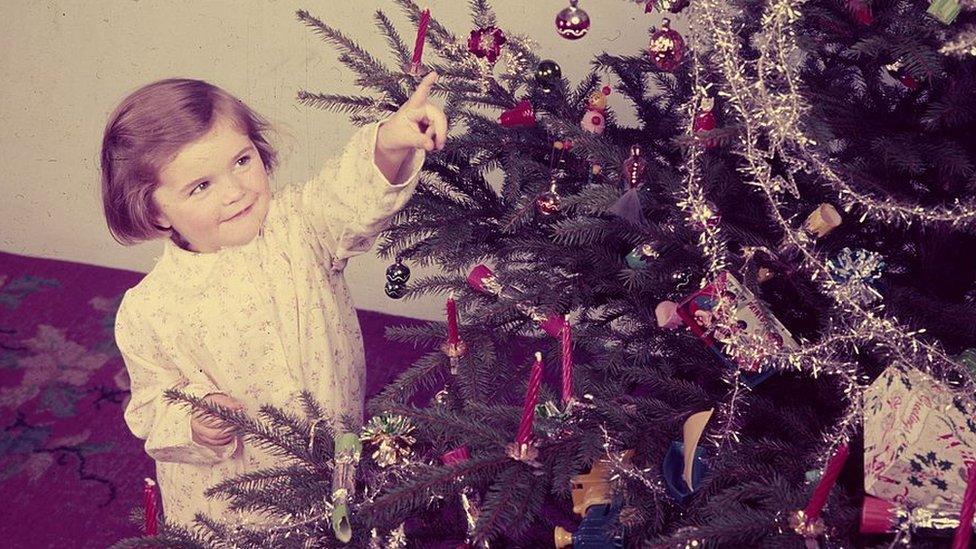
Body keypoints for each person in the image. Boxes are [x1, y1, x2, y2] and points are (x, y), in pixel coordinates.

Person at [101, 72, 447, 527]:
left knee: (342, 523)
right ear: (155, 211)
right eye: (200, 186)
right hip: (232, 504)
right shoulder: (147, 311)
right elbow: (150, 408)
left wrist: (389, 143)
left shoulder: (300, 225)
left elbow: (348, 198)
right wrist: (193, 423)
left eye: (242, 161)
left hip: (334, 458)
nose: (235, 190)